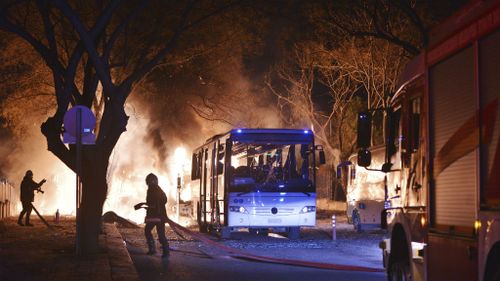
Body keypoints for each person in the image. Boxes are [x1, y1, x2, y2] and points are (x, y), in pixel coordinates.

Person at [134, 173, 169, 257]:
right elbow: (163, 201)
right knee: (160, 234)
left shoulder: (151, 190)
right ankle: (165, 252)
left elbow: (152, 203)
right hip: (160, 216)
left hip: (155, 216)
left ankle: (153, 249)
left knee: (148, 231)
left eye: (148, 181)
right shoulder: (159, 189)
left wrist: (144, 205)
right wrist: (144, 205)